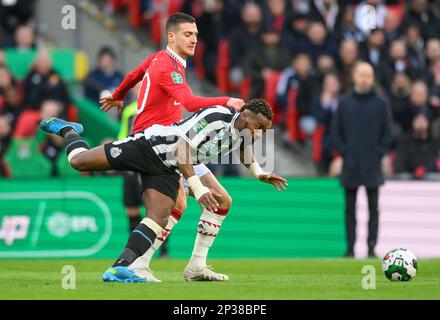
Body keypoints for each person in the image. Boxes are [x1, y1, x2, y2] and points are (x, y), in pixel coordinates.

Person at [39, 99, 288, 283]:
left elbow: (243, 149)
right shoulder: (215, 118)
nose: (260, 133)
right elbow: (181, 149)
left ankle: (122, 267)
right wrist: (199, 189)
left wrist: (258, 172)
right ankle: (68, 130)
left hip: (166, 168)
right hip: (149, 146)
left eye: (264, 130)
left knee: (159, 215)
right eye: (259, 126)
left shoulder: (244, 132)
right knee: (79, 161)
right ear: (245, 115)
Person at [99, 12, 245, 282]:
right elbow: (189, 102)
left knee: (211, 201)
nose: (194, 40)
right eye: (188, 34)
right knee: (175, 205)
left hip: (175, 141)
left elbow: (134, 74)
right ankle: (141, 264)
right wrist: (227, 100)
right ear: (171, 36)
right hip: (160, 144)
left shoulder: (159, 59)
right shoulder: (167, 66)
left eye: (196, 35)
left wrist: (117, 96)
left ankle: (187, 266)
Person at [331, 61, 393, 258]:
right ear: (354, 76)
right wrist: (344, 152)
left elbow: (388, 132)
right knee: (349, 209)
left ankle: (371, 248)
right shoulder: (344, 102)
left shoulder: (381, 103)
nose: (364, 78)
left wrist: (379, 153)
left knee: (373, 208)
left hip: (372, 163)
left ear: (373, 77)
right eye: (361, 74)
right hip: (350, 163)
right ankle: (350, 249)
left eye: (368, 75)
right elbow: (335, 131)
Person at [394, 112, 440, 178]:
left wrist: (425, 170)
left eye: (423, 122)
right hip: (408, 178)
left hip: (431, 177)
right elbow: (400, 164)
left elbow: (435, 161)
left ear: (428, 123)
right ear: (413, 123)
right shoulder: (404, 142)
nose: (420, 125)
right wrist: (414, 173)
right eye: (418, 122)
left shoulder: (435, 143)